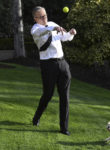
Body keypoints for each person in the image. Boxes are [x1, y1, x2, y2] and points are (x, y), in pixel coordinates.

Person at [31, 6, 77, 135]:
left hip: (62, 64)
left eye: (45, 15)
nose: (45, 18)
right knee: (48, 95)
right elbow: (42, 32)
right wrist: (53, 28)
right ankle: (36, 118)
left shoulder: (52, 24)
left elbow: (64, 37)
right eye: (41, 16)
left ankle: (64, 128)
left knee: (65, 97)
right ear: (35, 19)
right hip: (48, 65)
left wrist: (71, 34)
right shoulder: (35, 29)